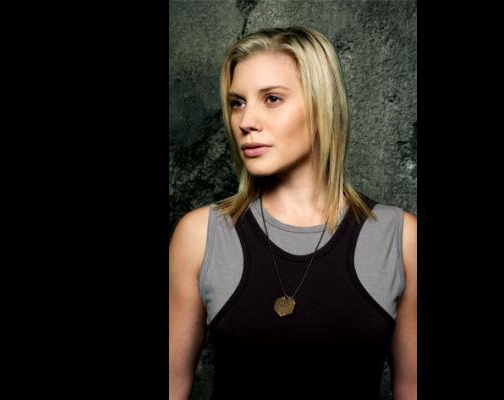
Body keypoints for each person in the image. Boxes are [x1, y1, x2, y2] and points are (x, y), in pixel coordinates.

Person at [169, 26, 417, 400]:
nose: (245, 121)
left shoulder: (401, 239)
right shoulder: (200, 236)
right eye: (237, 102)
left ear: (322, 106)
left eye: (271, 99)